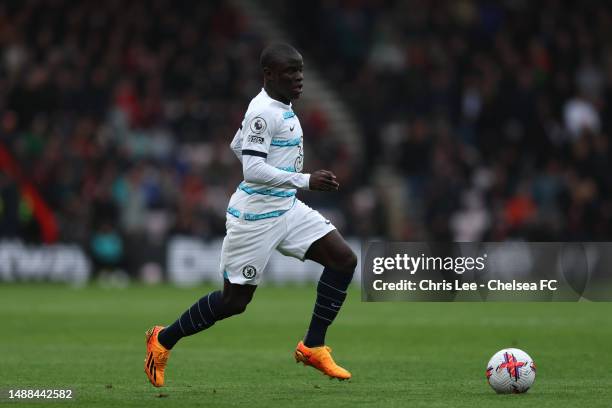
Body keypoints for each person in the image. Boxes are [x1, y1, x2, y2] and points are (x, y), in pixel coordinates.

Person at [144, 43, 357, 387]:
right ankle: (162, 339)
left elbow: (237, 145)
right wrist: (305, 180)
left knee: (343, 260)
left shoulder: (280, 106)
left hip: (286, 207)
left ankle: (313, 346)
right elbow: (252, 168)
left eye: (300, 70)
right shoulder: (264, 111)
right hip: (255, 216)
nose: (299, 78)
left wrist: (289, 183)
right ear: (269, 75)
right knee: (234, 301)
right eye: (290, 72)